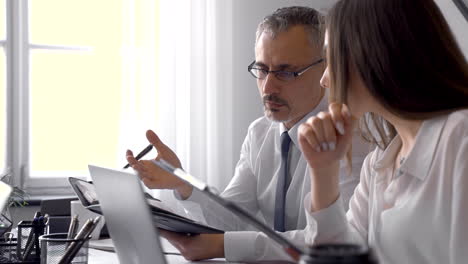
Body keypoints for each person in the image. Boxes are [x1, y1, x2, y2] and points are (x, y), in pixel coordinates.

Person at [127, 6, 367, 262]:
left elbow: (330, 242)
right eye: (262, 70)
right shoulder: (260, 133)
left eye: (285, 72)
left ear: (325, 69)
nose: (268, 87)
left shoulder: (351, 138)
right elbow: (233, 219)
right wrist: (182, 183)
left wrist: (224, 246)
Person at [298, 0, 468, 263]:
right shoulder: (379, 163)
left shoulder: (460, 140)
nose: (324, 79)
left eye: (331, 58)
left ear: (369, 52)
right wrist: (323, 171)